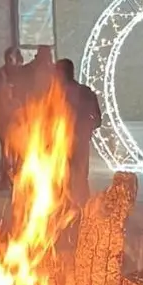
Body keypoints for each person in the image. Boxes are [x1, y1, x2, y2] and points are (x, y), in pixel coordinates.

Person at [57, 59, 101, 205]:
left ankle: (71, 208)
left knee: (64, 175)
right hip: (78, 141)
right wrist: (86, 129)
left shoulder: (56, 95)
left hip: (64, 142)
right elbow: (98, 120)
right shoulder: (85, 92)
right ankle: (82, 206)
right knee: (80, 176)